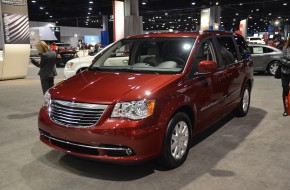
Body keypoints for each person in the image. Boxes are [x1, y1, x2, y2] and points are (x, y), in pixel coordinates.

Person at [280, 37, 290, 116]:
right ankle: (286, 109)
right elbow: (282, 59)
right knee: (285, 90)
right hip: (285, 73)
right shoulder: (286, 47)